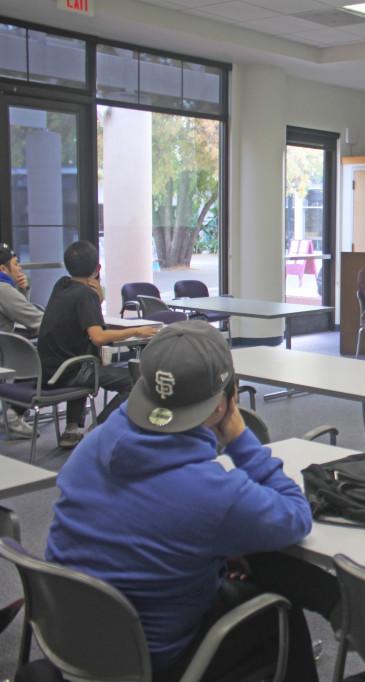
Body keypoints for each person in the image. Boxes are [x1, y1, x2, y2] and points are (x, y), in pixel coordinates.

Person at [44, 321, 337, 681]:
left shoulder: (93, 445)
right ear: (223, 403)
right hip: (154, 660)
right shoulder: (213, 495)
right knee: (280, 607)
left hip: (72, 641)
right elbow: (295, 516)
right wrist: (240, 438)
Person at [38, 241, 159, 448]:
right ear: (97, 269)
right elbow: (98, 337)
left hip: (47, 369)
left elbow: (78, 321)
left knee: (86, 360)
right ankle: (98, 429)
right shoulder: (85, 295)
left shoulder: (61, 285)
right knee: (136, 382)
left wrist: (98, 301)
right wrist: (137, 330)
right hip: (70, 371)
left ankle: (72, 430)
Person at [0, 243, 44, 438]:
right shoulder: (3, 289)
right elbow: (35, 320)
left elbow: (20, 312)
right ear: (3, 269)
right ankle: (12, 414)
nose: (20, 268)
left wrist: (23, 289)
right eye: (16, 264)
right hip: (3, 357)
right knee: (44, 360)